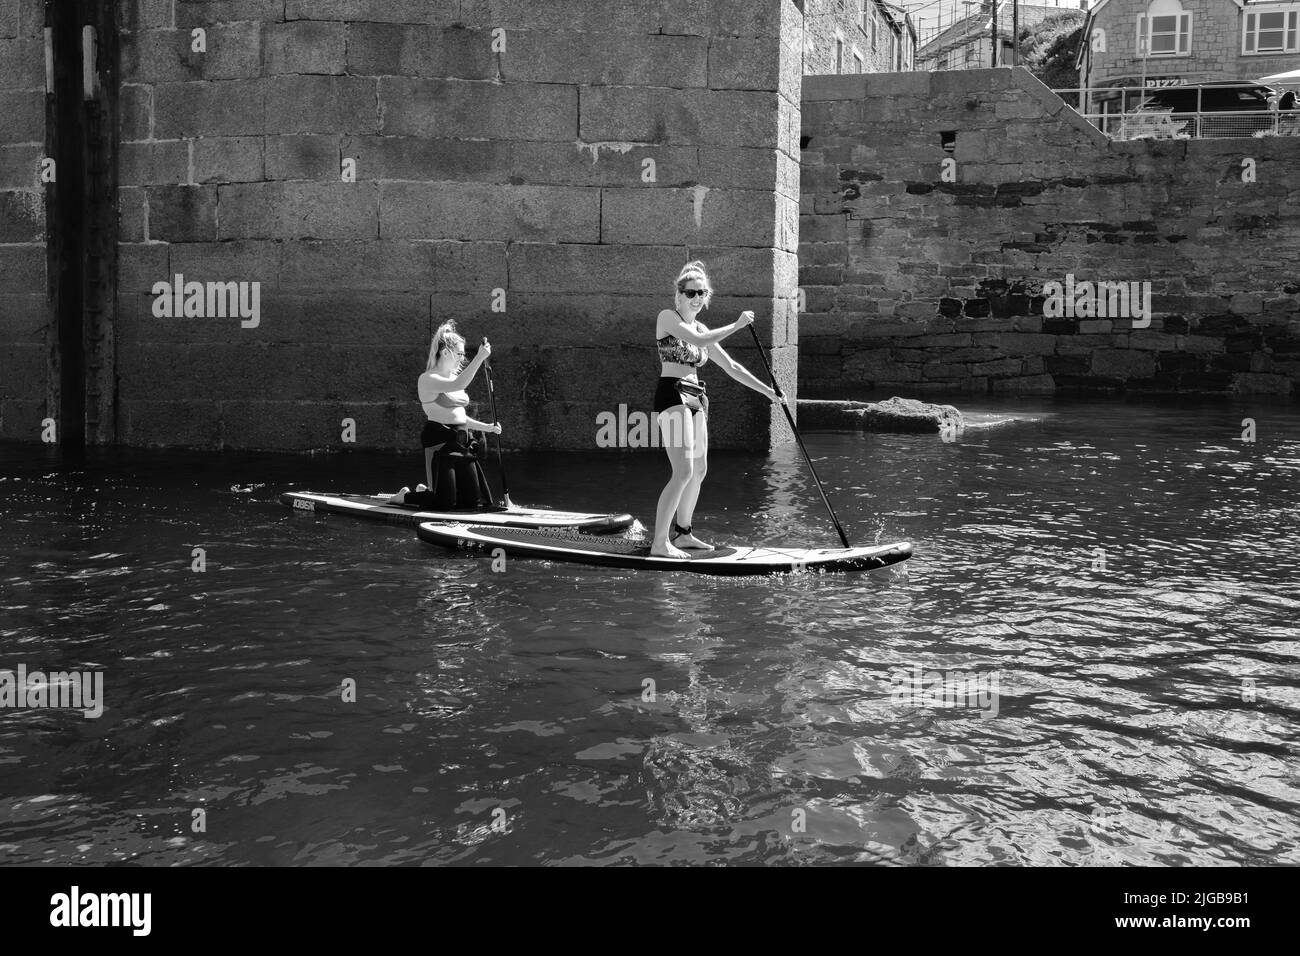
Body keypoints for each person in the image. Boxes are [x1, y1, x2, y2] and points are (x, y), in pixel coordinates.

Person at [651, 261, 783, 559]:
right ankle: (660, 543)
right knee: (682, 471)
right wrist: (736, 326)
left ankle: (683, 534)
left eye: (702, 292)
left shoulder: (703, 327)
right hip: (672, 394)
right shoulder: (668, 318)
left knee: (699, 470)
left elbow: (732, 367)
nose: (697, 297)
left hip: (697, 397)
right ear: (679, 295)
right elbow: (697, 341)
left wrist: (769, 392)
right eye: (691, 292)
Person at [390, 321, 502, 510]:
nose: (462, 358)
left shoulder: (452, 378)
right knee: (444, 503)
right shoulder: (428, 379)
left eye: (463, 354)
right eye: (459, 354)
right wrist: (480, 358)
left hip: (462, 442)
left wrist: (488, 428)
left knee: (471, 502)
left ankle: (428, 490)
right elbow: (458, 385)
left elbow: (459, 418)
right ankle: (404, 497)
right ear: (445, 352)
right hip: (439, 443)